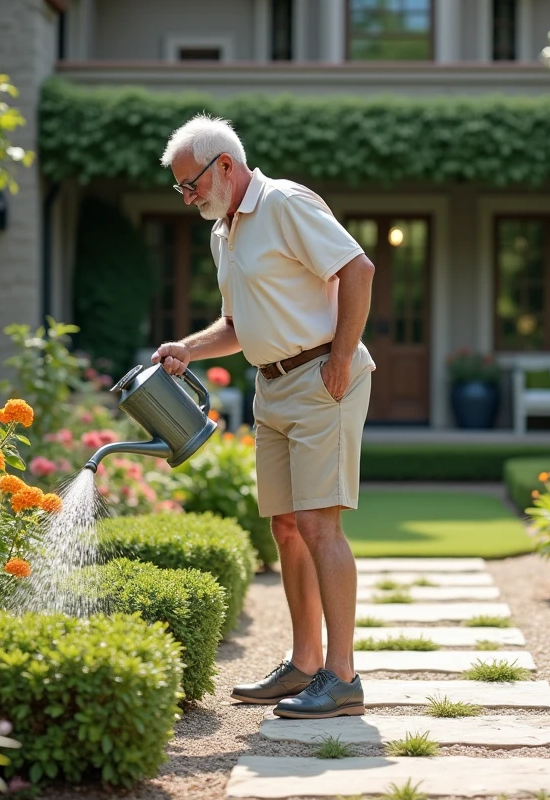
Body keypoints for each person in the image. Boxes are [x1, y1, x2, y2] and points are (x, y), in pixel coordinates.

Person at [152, 114, 375, 719]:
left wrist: (343, 356)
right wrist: (189, 348)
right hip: (271, 386)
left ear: (224, 164)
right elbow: (235, 325)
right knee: (285, 527)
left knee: (318, 523)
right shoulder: (223, 232)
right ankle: (305, 664)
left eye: (190, 183)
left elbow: (357, 268)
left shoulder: (283, 203)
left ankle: (343, 676)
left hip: (320, 376)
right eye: (181, 188)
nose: (187, 195)